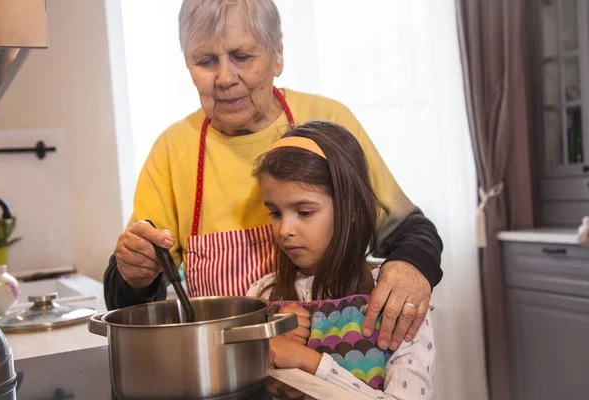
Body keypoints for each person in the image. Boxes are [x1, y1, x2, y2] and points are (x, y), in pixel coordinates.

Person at [104, 0, 443, 351]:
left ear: (277, 54)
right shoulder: (173, 148)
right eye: (206, 61)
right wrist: (134, 274)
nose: (224, 78)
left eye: (242, 57)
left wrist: (410, 266)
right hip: (227, 371)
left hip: (335, 368)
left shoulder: (327, 120)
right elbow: (128, 297)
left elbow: (411, 230)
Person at [246, 121, 435, 399]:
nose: (285, 229)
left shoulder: (397, 299)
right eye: (275, 213)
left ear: (351, 210)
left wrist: (308, 362)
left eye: (305, 212)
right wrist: (263, 350)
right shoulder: (260, 295)